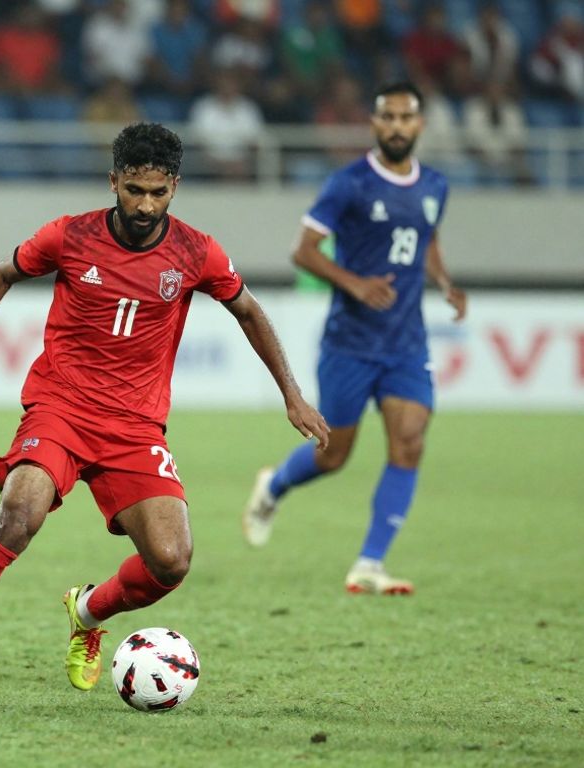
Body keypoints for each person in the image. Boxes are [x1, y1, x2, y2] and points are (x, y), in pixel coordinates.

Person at [0, 122, 329, 692]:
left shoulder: (196, 251)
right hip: (60, 407)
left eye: (158, 193)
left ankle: (88, 612)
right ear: (114, 181)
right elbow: (1, 274)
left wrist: (291, 393)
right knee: (18, 515)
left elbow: (250, 311)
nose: (144, 204)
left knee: (171, 561)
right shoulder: (69, 236)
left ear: (175, 188)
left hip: (135, 425)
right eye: (134, 190)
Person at [243, 82, 467, 595]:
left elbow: (427, 239)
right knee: (333, 455)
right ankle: (273, 485)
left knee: (408, 444)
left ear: (419, 125)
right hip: (349, 343)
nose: (395, 126)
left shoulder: (435, 185)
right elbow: (304, 251)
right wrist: (354, 283)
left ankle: (370, 563)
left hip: (407, 344)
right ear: (374, 123)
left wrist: (445, 282)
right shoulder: (349, 184)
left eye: (405, 117)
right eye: (386, 117)